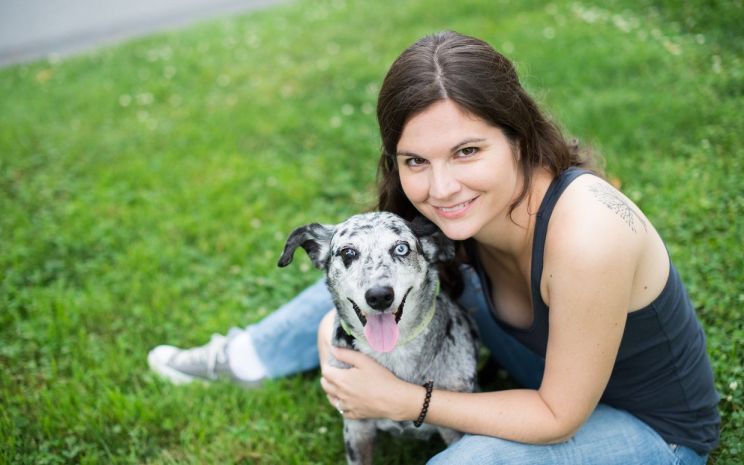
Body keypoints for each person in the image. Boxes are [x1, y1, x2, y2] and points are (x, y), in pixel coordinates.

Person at [148, 31, 720, 464]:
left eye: (468, 151)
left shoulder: (588, 235)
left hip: (648, 429)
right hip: (532, 379)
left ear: (517, 137)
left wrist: (403, 400)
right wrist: (335, 339)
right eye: (415, 161)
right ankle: (250, 356)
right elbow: (366, 282)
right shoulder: (446, 218)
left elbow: (555, 415)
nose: (441, 189)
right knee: (372, 270)